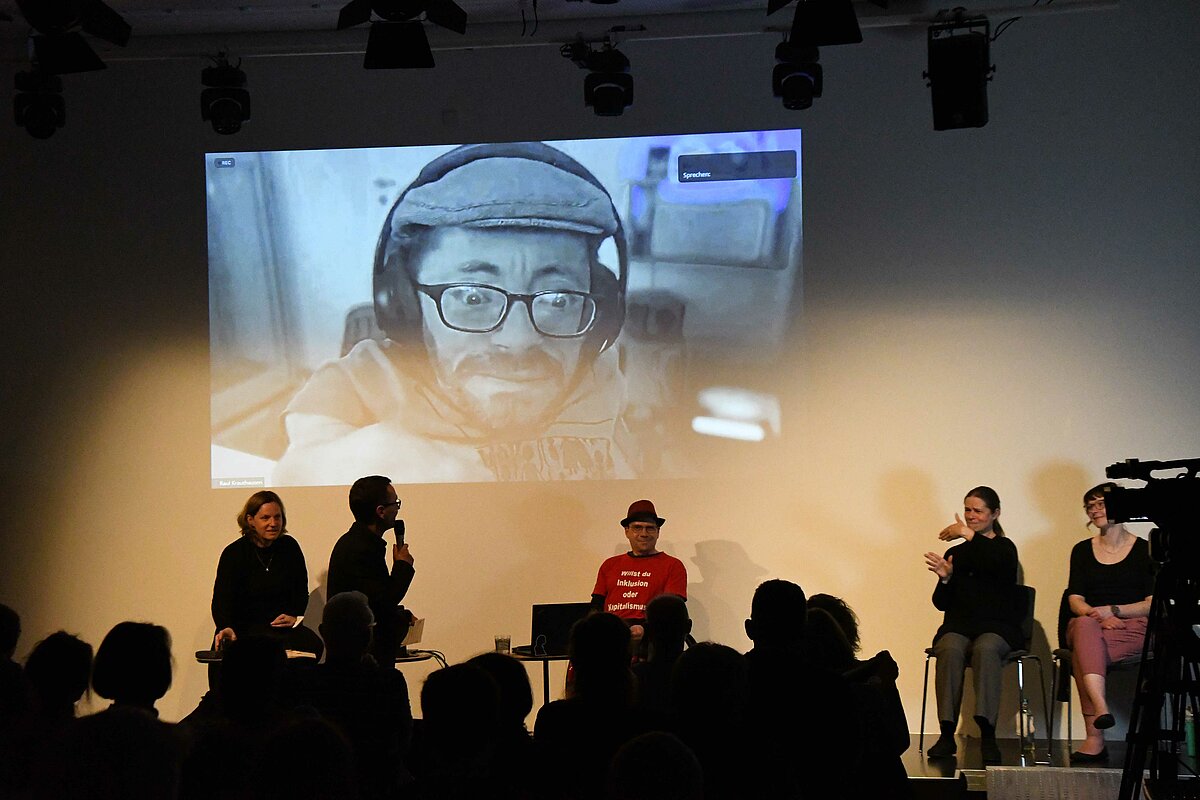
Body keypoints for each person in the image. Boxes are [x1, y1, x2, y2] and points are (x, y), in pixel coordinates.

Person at [273, 142, 648, 484]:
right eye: (472, 298)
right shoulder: (364, 380)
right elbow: (296, 469)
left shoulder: (600, 376)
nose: (518, 341)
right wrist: (364, 459)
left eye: (559, 299)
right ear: (404, 303)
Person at [923, 486, 1021, 762]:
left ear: (995, 514)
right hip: (961, 625)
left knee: (986, 648)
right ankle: (946, 733)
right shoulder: (958, 552)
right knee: (949, 647)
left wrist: (968, 534)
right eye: (968, 509)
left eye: (978, 510)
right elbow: (942, 603)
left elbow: (995, 563)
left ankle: (987, 734)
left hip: (998, 626)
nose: (971, 516)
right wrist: (945, 579)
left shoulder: (1004, 547)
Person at [1063, 482, 1155, 763]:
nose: (1094, 510)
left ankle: (1094, 737)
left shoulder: (1145, 549)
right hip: (1092, 624)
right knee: (1082, 628)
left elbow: (1153, 604)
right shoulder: (1081, 550)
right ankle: (1101, 706)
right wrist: (1097, 616)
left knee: (1084, 648)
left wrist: (1114, 611)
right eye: (1089, 506)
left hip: (1133, 627)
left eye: (1100, 503)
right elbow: (1074, 599)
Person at [211, 490, 324, 657]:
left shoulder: (290, 547)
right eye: (265, 518)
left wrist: (294, 615)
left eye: (277, 517)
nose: (273, 523)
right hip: (244, 630)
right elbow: (221, 600)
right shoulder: (234, 553)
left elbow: (300, 591)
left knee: (313, 646)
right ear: (250, 520)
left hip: (279, 630)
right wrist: (225, 625)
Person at [327, 475, 415, 666]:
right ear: (381, 511)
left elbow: (375, 598)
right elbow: (381, 604)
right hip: (361, 660)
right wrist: (403, 566)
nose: (397, 510)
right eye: (395, 504)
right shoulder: (359, 549)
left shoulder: (362, 543)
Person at [592, 500, 688, 642]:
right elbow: (596, 606)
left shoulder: (673, 565)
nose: (644, 533)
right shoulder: (610, 565)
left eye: (650, 528)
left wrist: (645, 629)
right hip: (611, 637)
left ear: (658, 532)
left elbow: (672, 611)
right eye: (637, 528)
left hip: (653, 638)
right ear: (627, 531)